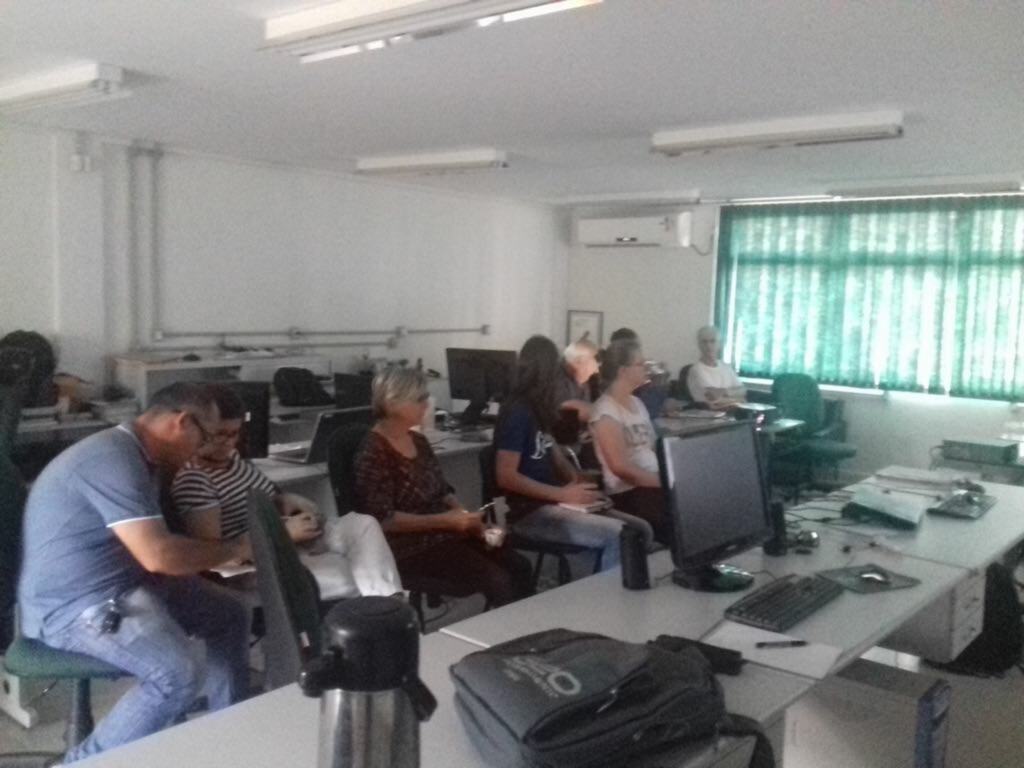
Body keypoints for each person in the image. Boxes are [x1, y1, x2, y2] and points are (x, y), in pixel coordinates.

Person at [16, 383, 251, 763]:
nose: (201, 452)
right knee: (177, 673)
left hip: (125, 581)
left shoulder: (143, 457)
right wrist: (239, 548)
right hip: (73, 606)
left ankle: (228, 733)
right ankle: (81, 763)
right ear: (181, 423)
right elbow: (158, 555)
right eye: (204, 438)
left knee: (230, 614)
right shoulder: (111, 459)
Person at [171, 384, 402, 600]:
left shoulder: (232, 458)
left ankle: (393, 613)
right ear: (199, 429)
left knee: (362, 525)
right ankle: (391, 618)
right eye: (220, 434)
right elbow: (217, 557)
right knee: (355, 572)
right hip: (255, 562)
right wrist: (281, 534)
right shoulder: (195, 479)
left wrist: (286, 499)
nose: (229, 443)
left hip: (285, 539)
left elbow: (263, 495)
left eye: (235, 433)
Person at [354, 367, 532, 607]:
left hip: (443, 532)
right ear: (393, 403)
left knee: (519, 566)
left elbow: (443, 490)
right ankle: (508, 638)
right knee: (497, 580)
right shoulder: (373, 451)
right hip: (408, 547)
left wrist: (471, 522)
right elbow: (385, 519)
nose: (427, 404)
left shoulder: (417, 439)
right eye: (420, 399)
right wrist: (448, 521)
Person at [494, 335, 653, 571]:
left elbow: (554, 456)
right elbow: (505, 476)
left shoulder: (537, 409)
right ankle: (605, 602)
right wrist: (562, 494)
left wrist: (580, 485)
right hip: (528, 512)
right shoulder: (517, 412)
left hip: (555, 501)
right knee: (621, 536)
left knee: (642, 530)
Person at [589, 340, 671, 545]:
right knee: (679, 515)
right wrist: (664, 482)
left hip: (650, 485)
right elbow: (620, 467)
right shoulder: (605, 411)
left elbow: (652, 447)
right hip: (628, 493)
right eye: (641, 364)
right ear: (624, 371)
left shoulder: (637, 403)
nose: (646, 368)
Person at [686, 325, 746, 409]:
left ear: (719, 344)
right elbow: (713, 399)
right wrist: (736, 398)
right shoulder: (696, 370)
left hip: (733, 414)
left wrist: (724, 392)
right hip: (709, 416)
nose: (708, 346)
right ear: (699, 344)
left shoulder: (727, 367)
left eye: (713, 341)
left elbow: (743, 391)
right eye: (704, 342)